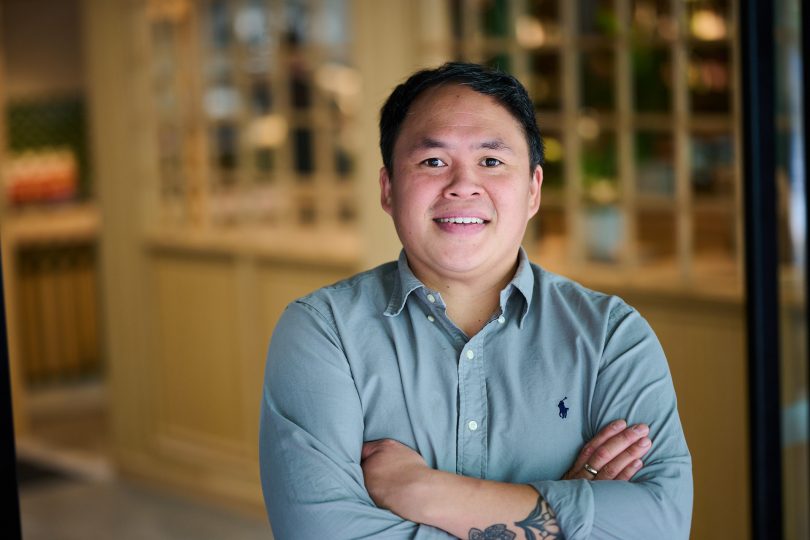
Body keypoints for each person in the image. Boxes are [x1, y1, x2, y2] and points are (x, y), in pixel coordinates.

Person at [259, 62, 692, 539]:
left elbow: (661, 524)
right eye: (432, 162)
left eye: (491, 161)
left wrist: (426, 492)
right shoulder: (324, 332)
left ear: (533, 189)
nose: (463, 185)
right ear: (387, 189)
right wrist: (558, 514)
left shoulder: (611, 336)